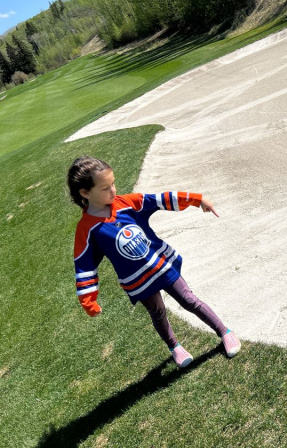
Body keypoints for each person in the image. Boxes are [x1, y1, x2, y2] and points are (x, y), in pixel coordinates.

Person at [67, 156, 240, 367]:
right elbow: (84, 264)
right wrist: (88, 299)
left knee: (189, 300)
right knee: (157, 312)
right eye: (105, 188)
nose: (113, 190)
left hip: (160, 265)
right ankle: (175, 347)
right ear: (85, 193)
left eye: (113, 183)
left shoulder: (125, 203)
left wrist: (197, 199)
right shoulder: (87, 229)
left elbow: (159, 199)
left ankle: (225, 332)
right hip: (137, 280)